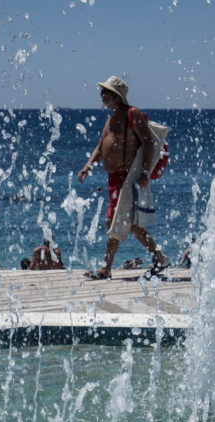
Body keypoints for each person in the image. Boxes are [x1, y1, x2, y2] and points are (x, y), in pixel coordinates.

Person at [77, 75, 167, 280]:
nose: (101, 95)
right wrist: (86, 167)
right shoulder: (110, 120)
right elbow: (100, 148)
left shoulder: (132, 114)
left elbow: (149, 143)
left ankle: (105, 268)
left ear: (116, 96)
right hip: (113, 180)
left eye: (105, 92)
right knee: (132, 224)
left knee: (112, 220)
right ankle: (158, 256)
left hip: (128, 178)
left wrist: (144, 173)